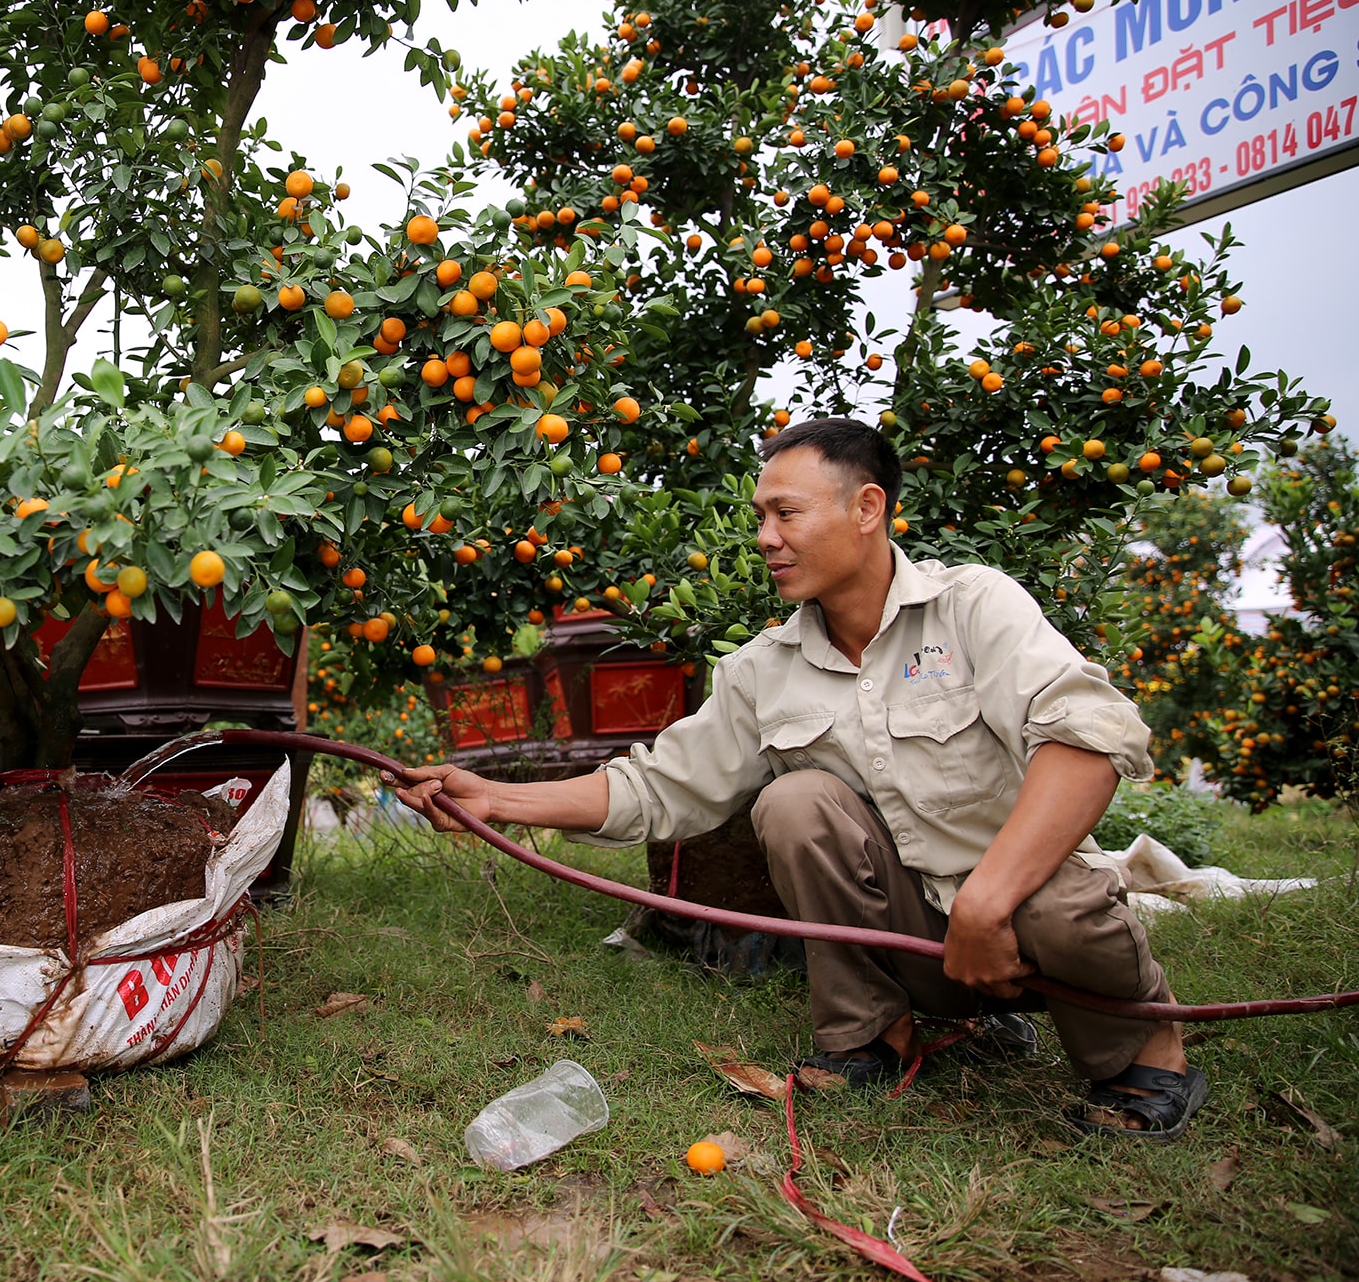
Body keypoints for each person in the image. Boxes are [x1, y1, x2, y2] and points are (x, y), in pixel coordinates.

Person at [391, 417, 1206, 1139]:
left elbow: (1092, 739)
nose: (767, 538)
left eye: (787, 513)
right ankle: (869, 1037)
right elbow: (657, 788)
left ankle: (1144, 1052)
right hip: (912, 947)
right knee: (794, 800)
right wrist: (496, 799)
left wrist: (988, 902)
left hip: (1031, 932)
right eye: (760, 518)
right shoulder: (762, 670)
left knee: (1055, 898)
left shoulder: (973, 607)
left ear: (866, 509)